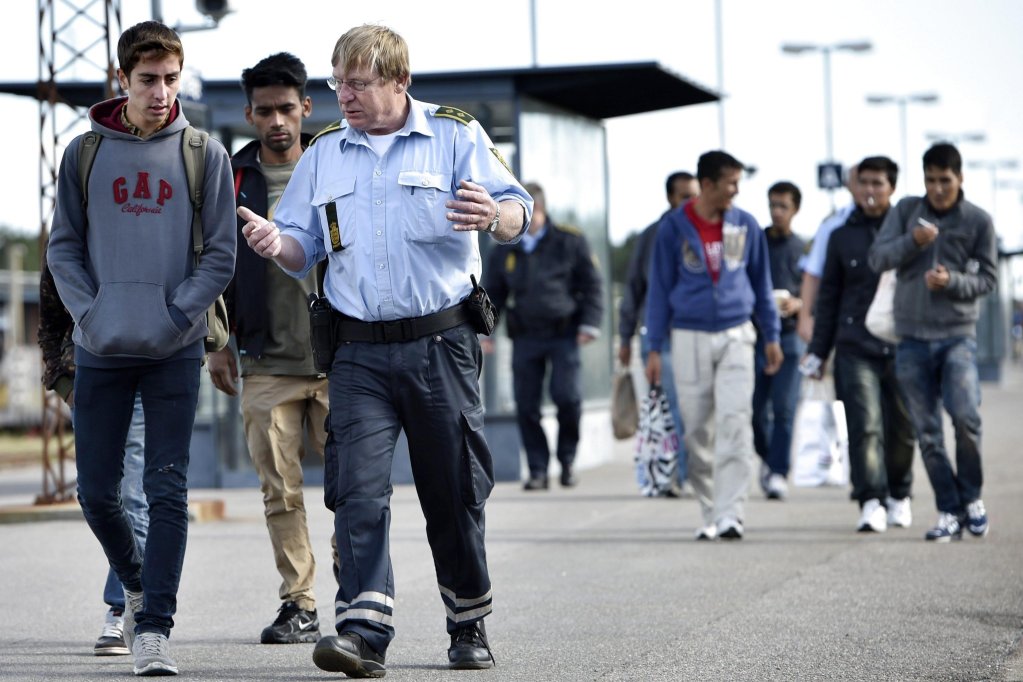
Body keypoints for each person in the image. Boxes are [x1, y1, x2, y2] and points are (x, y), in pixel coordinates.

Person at [236, 24, 532, 676]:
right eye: (339, 82)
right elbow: (301, 248)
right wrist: (271, 244)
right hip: (358, 352)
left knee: (452, 491)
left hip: (440, 345)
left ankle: (467, 619)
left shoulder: (455, 134)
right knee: (357, 493)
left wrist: (495, 216)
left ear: (399, 81)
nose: (345, 94)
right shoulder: (325, 155)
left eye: (360, 83)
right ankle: (364, 630)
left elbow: (518, 209)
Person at [46, 20, 236, 676]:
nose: (161, 92)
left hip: (173, 351)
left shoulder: (203, 153)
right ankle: (132, 584)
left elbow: (220, 256)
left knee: (165, 489)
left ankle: (154, 626)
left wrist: (177, 315)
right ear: (121, 78)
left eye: (171, 79)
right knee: (95, 492)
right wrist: (89, 314)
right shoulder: (84, 154)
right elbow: (62, 245)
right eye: (148, 79)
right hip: (101, 345)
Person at [205, 52, 330, 645]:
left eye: (287, 108)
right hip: (264, 363)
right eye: (265, 111)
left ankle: (358, 595)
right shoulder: (229, 179)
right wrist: (217, 342)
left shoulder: (333, 166)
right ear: (250, 115)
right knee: (280, 490)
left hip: (339, 359)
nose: (277, 120)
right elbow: (205, 263)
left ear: (305, 107)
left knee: (355, 488)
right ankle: (300, 604)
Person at [644, 150, 782, 541]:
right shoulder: (672, 228)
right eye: (730, 183)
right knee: (698, 433)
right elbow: (659, 290)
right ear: (707, 185)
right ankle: (709, 508)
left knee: (735, 422)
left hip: (738, 333)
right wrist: (654, 347)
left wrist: (771, 335)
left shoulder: (746, 224)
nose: (736, 191)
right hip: (687, 335)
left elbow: (762, 284)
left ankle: (731, 514)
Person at [868, 143, 998, 542]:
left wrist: (953, 282)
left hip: (957, 336)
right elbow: (877, 258)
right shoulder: (907, 211)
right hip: (911, 339)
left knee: (965, 419)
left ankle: (972, 497)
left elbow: (988, 279)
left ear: (960, 179)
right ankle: (948, 509)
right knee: (926, 432)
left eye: (946, 180)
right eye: (931, 180)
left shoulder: (978, 221)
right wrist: (913, 241)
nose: (938, 188)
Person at [38, 252, 149, 657]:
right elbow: (49, 324)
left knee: (134, 495)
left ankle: (121, 611)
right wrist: (64, 385)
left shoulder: (139, 225)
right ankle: (139, 595)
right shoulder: (65, 245)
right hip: (89, 382)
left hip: (142, 373)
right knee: (97, 496)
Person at [805, 157, 915, 532]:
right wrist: (818, 352)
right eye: (864, 182)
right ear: (854, 186)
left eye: (878, 184)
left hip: (903, 345)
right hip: (854, 345)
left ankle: (899, 494)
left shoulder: (909, 233)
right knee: (865, 426)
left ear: (892, 188)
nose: (870, 190)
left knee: (902, 428)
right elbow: (828, 298)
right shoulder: (840, 235)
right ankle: (870, 500)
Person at [481, 181, 603, 491]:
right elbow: (493, 293)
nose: (521, 221)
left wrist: (590, 324)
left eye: (527, 214)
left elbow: (592, 286)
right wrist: (487, 331)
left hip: (565, 335)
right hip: (526, 337)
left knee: (568, 399)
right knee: (526, 405)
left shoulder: (569, 242)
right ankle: (537, 469)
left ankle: (567, 461)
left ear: (540, 210)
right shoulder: (505, 248)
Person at [618, 171, 698, 494]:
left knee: (693, 407)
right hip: (658, 336)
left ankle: (684, 471)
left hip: (693, 331)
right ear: (670, 198)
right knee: (671, 406)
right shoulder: (652, 235)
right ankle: (678, 474)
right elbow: (634, 288)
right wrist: (625, 337)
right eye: (684, 196)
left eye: (695, 195)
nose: (690, 203)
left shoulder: (700, 234)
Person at [752, 181, 806, 501]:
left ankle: (778, 472)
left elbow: (814, 293)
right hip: (756, 337)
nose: (777, 211)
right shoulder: (755, 242)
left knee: (784, 409)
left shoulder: (802, 248)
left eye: (783, 206)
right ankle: (770, 458)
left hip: (790, 338)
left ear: (795, 209)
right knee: (755, 411)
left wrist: (798, 304)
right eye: (772, 205)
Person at [797, 164, 862, 343]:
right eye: (861, 181)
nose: (867, 188)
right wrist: (805, 317)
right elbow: (812, 272)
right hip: (841, 318)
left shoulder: (894, 221)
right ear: (848, 185)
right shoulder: (833, 225)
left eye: (874, 182)